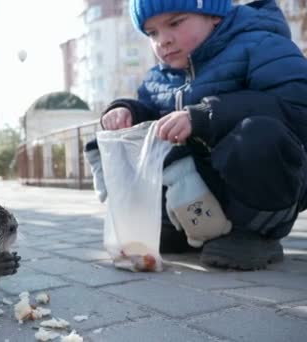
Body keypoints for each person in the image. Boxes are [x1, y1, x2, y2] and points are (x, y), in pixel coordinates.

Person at [87, 0, 307, 270]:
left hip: (266, 181)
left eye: (175, 23)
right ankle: (190, 231)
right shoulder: (159, 78)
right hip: (199, 192)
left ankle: (256, 234)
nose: (163, 41)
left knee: (257, 135)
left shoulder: (263, 45)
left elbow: (297, 108)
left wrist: (206, 115)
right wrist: (127, 111)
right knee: (144, 146)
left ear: (213, 15)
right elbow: (152, 115)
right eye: (152, 33)